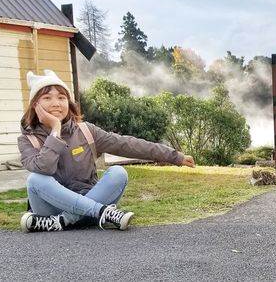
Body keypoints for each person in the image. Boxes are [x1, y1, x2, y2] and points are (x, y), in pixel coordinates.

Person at [18, 70, 195, 232]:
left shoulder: (86, 131)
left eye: (62, 98)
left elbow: (127, 144)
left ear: (69, 103)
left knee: (118, 172)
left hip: (82, 202)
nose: (56, 104)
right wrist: (55, 130)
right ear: (35, 105)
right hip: (51, 207)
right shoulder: (28, 139)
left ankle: (64, 221)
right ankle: (102, 212)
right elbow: (45, 168)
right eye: (47, 98)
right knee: (35, 179)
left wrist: (175, 156)